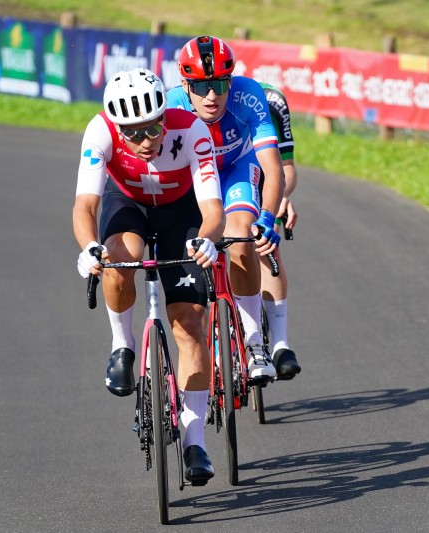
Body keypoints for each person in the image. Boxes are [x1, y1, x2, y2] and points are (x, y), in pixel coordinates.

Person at [73, 68, 225, 484]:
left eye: (154, 128)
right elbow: (85, 205)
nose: (145, 141)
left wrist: (208, 241)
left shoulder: (192, 130)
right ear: (118, 128)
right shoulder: (99, 130)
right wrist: (89, 247)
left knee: (191, 325)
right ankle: (122, 345)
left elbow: (212, 210)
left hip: (181, 213)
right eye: (133, 133)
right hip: (128, 204)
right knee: (119, 257)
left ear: (165, 116)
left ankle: (196, 441)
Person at [167, 35, 285, 382]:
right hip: (194, 177)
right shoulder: (171, 105)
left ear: (230, 81)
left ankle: (253, 343)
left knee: (240, 237)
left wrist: (267, 218)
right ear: (185, 85)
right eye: (202, 86)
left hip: (236, 168)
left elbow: (273, 167)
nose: (212, 96)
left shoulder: (249, 96)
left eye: (219, 84)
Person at [259, 81, 301, 379]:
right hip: (216, 176)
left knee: (267, 246)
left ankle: (280, 343)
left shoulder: (273, 101)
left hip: (264, 176)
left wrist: (280, 198)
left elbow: (286, 166)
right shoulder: (195, 103)